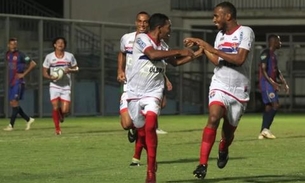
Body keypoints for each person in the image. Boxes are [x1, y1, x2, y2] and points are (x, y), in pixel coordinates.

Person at [127, 13, 202, 183]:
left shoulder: (164, 45)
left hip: (153, 92)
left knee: (151, 124)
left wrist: (195, 54)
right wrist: (180, 50)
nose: (170, 30)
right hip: (134, 92)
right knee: (140, 127)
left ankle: (151, 170)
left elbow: (174, 63)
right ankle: (150, 159)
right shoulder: (141, 39)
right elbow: (152, 55)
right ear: (160, 28)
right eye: (169, 27)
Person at [184, 1, 255, 179]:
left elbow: (239, 59)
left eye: (216, 15)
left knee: (228, 131)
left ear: (227, 16)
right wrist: (203, 47)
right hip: (220, 84)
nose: (214, 19)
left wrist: (211, 49)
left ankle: (223, 147)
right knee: (213, 117)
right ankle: (202, 164)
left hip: (239, 89)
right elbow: (216, 60)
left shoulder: (245, 32)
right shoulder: (220, 35)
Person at [42, 37, 79, 135]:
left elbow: (77, 68)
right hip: (54, 85)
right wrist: (50, 77)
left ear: (65, 45)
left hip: (66, 86)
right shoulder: (49, 57)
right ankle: (57, 129)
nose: (60, 44)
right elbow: (44, 72)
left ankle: (61, 114)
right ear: (54, 45)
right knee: (55, 106)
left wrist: (70, 70)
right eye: (58, 42)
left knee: (65, 110)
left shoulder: (69, 56)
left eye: (62, 43)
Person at [258, 34, 289, 139]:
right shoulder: (265, 53)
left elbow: (277, 71)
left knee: (268, 106)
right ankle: (265, 129)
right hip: (266, 84)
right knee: (275, 105)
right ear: (273, 41)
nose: (280, 43)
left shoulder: (273, 55)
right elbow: (263, 69)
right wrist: (273, 83)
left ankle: (263, 131)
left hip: (270, 84)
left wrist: (284, 82)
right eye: (279, 41)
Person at [3, 38, 36, 131]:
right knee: (13, 103)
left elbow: (33, 63)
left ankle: (11, 125)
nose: (14, 45)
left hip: (18, 82)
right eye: (12, 44)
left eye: (15, 44)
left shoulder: (21, 54)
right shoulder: (7, 54)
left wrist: (23, 74)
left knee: (15, 102)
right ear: (8, 45)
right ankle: (28, 119)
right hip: (11, 82)